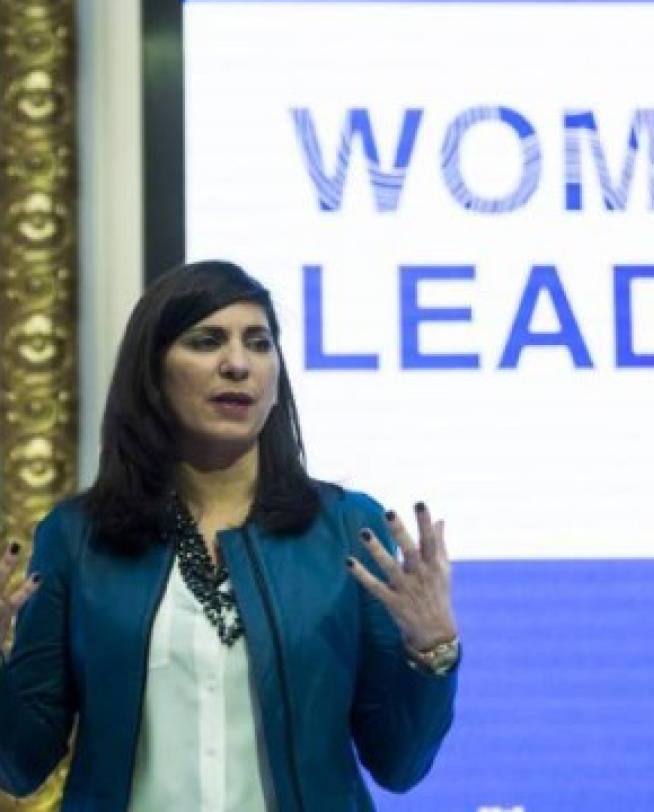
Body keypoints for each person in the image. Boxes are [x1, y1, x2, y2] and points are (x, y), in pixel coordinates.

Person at [0, 260, 459, 810]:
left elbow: (400, 765)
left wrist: (432, 650)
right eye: (206, 341)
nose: (238, 365)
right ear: (152, 369)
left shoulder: (345, 530)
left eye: (260, 344)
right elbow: (21, 765)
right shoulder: (77, 539)